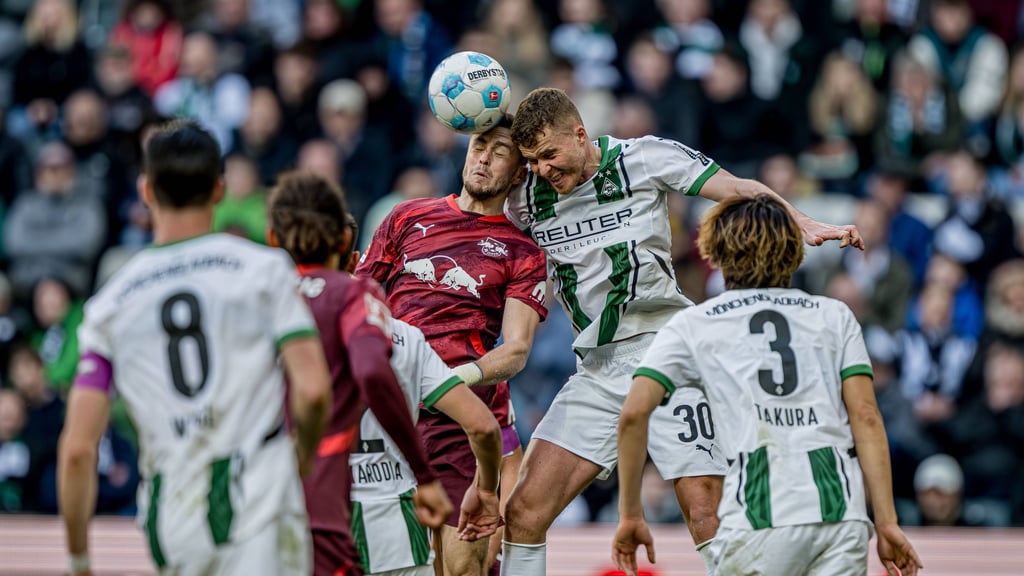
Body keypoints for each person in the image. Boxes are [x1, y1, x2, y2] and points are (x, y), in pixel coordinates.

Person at [501, 86, 864, 575]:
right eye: (532, 161)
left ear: (580, 134)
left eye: (549, 154)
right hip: (597, 369)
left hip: (667, 353)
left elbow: (736, 188)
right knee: (523, 513)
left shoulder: (644, 157)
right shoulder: (525, 198)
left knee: (704, 511)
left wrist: (801, 221)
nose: (543, 169)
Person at [57, 120, 333, 576]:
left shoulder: (110, 303)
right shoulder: (264, 270)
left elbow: (78, 450)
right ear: (219, 189)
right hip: (258, 502)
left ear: (146, 191)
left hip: (173, 516)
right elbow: (314, 389)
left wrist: (79, 560)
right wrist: (301, 456)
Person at [612, 194, 921, 576]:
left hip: (758, 517)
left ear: (716, 253)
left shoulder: (694, 324)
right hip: (841, 515)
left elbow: (633, 414)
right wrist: (887, 522)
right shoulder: (834, 315)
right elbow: (867, 418)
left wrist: (630, 513)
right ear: (794, 252)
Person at [267, 171, 495, 575]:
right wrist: (484, 488)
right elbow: (482, 426)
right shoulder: (399, 332)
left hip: (295, 514)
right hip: (394, 527)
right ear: (350, 252)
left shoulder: (262, 320)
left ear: (273, 240)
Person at [357, 115, 548, 575]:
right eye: (479, 145)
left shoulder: (523, 251)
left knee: (461, 568)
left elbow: (516, 349)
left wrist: (450, 380)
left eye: (500, 152)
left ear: (518, 173)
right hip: (387, 412)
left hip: (458, 422)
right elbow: (358, 300)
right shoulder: (407, 216)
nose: (483, 158)